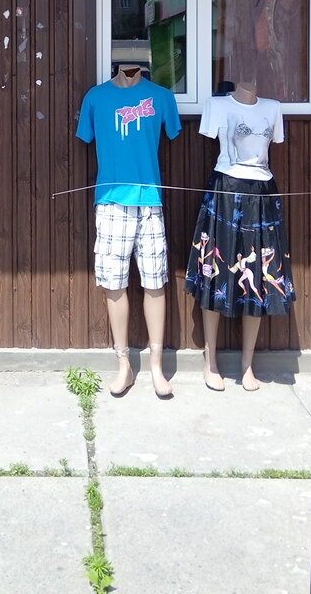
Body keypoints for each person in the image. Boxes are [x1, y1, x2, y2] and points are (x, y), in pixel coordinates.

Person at [77, 65, 182, 398]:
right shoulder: (95, 98)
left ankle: (156, 365)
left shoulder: (162, 97)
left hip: (150, 200)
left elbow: (173, 132)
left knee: (155, 281)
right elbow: (86, 136)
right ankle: (123, 364)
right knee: (114, 283)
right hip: (111, 201)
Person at [184, 81, 295, 392]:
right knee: (214, 270)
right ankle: (211, 362)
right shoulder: (217, 104)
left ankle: (248, 364)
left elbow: (273, 142)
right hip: (225, 188)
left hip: (262, 191)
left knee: (258, 274)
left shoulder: (273, 107)